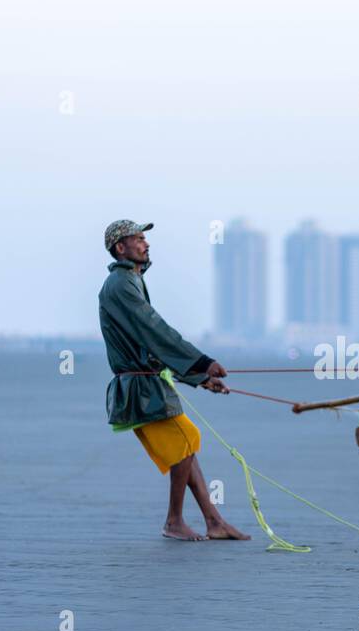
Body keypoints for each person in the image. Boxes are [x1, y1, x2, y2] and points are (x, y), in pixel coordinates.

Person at [98, 219, 250, 542]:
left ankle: (213, 521)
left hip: (148, 384)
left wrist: (200, 378)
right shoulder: (120, 285)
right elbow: (156, 332)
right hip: (138, 389)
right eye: (137, 238)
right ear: (119, 247)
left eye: (145, 238)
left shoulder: (131, 281)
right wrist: (203, 363)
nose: (145, 243)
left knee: (186, 443)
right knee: (186, 438)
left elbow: (153, 343)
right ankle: (174, 521)